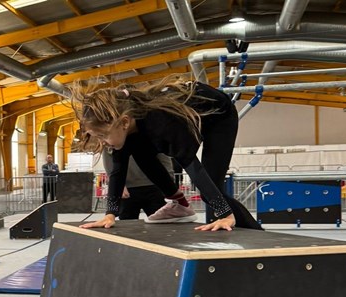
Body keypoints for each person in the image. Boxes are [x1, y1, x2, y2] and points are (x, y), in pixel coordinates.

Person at [72, 78, 261, 232]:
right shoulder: (129, 129)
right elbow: (117, 171)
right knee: (141, 154)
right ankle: (180, 204)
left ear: (124, 122)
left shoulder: (161, 123)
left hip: (219, 116)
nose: (102, 142)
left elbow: (191, 164)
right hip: (190, 119)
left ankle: (254, 232)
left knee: (211, 187)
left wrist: (224, 214)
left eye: (103, 135)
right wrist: (110, 214)